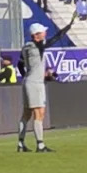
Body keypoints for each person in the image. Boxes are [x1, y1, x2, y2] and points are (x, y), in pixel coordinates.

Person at [18, 24, 55, 153]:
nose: (45, 33)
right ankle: (40, 145)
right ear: (36, 35)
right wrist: (68, 27)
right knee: (38, 114)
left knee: (27, 114)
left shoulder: (26, 47)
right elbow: (55, 39)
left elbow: (20, 64)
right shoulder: (37, 46)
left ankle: (21, 143)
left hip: (29, 81)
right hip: (35, 83)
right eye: (42, 32)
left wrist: (27, 75)